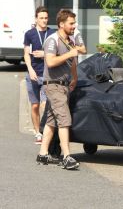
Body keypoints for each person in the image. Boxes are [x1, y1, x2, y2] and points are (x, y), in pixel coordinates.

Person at [36, 9, 86, 170]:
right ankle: (67, 157)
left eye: (74, 23)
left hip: (63, 85)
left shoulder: (69, 40)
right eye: (71, 23)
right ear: (61, 24)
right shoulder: (52, 40)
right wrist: (70, 53)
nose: (74, 26)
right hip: (53, 85)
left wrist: (75, 77)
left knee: (51, 121)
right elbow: (50, 62)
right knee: (64, 120)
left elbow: (71, 62)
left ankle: (43, 153)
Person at [23, 6, 55, 144]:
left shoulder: (53, 33)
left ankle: (46, 131)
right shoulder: (30, 34)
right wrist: (30, 69)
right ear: (36, 19)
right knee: (35, 105)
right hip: (33, 74)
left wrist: (45, 54)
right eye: (41, 18)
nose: (44, 21)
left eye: (46, 18)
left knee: (44, 104)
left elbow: (59, 52)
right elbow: (26, 53)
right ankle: (37, 133)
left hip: (48, 75)